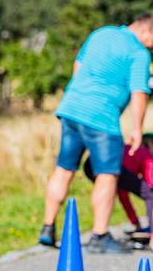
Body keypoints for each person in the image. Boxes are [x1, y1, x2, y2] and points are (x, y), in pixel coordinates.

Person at [39, 16, 153, 253]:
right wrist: (136, 129)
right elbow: (139, 93)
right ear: (146, 32)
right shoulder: (139, 53)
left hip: (71, 109)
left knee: (64, 168)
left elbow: (78, 66)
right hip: (102, 118)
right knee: (108, 175)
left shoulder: (101, 33)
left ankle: (47, 228)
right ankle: (100, 236)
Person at [83, 134, 153, 248]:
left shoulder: (127, 150)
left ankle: (98, 233)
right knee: (150, 194)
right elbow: (150, 186)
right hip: (110, 163)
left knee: (109, 189)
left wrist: (136, 223)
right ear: (150, 144)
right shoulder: (145, 153)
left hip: (91, 162)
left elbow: (123, 195)